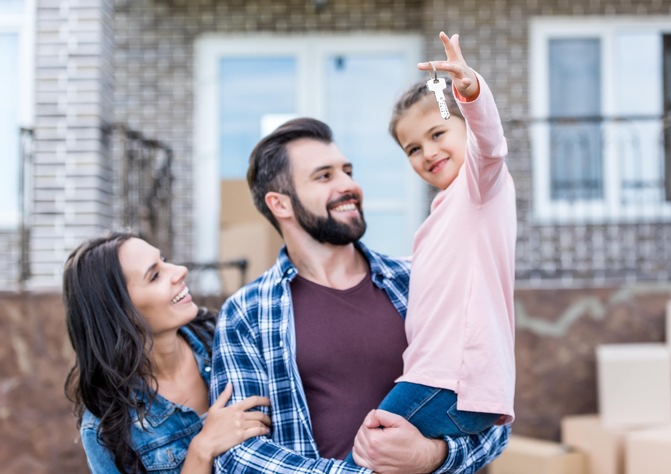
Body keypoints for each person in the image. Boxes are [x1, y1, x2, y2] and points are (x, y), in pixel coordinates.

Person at [209, 119, 510, 470]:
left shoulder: (417, 281)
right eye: (325, 176)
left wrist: (431, 456)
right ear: (280, 204)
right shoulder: (247, 312)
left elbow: (492, 405)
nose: (349, 185)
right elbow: (239, 454)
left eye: (347, 171)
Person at [349, 31, 516, 466]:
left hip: (451, 379)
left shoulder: (480, 188)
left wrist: (469, 93)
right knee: (377, 455)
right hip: (439, 377)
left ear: (463, 126)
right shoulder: (442, 214)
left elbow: (491, 145)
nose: (428, 152)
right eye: (413, 149)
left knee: (368, 456)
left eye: (438, 132)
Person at [63, 231, 271, 473]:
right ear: (120, 314)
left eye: (164, 259)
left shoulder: (229, 336)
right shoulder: (105, 427)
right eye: (155, 276)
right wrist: (202, 449)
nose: (180, 270)